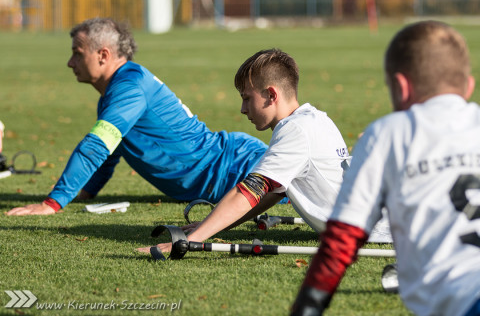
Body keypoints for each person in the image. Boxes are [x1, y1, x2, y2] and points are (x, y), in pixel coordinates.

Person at [291, 21, 480, 316]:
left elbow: (342, 238)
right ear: (468, 86)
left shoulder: (389, 134)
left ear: (401, 87)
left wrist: (307, 306)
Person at [137, 48, 391, 255]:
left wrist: (191, 240)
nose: (242, 109)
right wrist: (208, 226)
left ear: (271, 95)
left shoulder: (296, 131)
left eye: (247, 98)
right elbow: (270, 191)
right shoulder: (314, 118)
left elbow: (250, 191)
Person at [6, 17, 268, 216]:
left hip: (240, 169)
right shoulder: (119, 89)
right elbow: (109, 152)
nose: (70, 62)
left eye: (77, 53)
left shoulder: (129, 88)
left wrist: (52, 203)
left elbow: (96, 145)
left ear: (103, 55)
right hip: (230, 167)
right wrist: (84, 191)